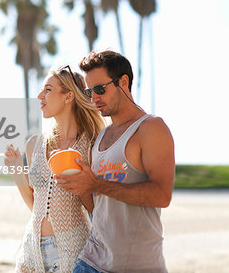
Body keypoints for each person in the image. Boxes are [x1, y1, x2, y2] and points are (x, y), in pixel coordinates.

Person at [55, 50, 175, 273]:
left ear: (123, 82)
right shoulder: (101, 136)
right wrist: (78, 182)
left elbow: (162, 195)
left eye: (100, 89)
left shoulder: (151, 128)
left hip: (138, 266)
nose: (93, 99)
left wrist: (97, 185)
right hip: (91, 260)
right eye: (90, 92)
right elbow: (98, 208)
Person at [4, 65, 106, 273]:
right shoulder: (35, 145)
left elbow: (97, 211)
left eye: (48, 89)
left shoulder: (92, 144)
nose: (40, 95)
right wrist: (17, 172)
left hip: (72, 248)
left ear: (69, 97)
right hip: (32, 249)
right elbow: (37, 207)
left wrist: (80, 184)